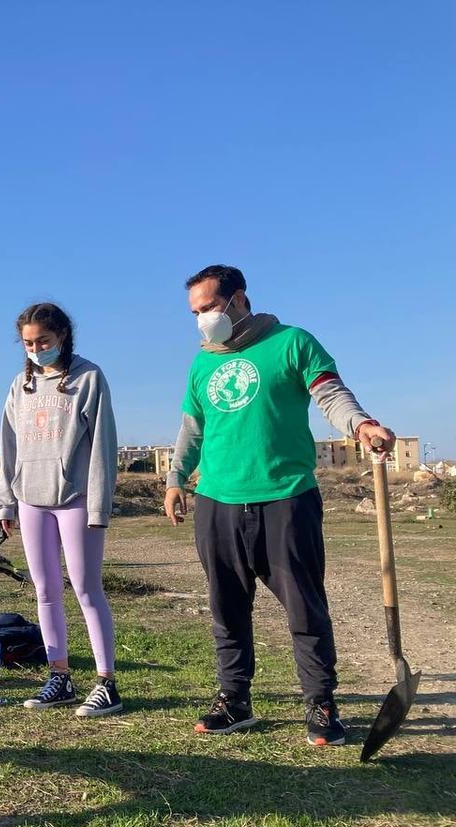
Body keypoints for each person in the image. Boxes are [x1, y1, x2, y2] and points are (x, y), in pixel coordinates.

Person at [164, 265, 396, 747]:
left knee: (304, 606)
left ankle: (321, 702)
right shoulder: (202, 362)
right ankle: (234, 699)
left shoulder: (292, 342)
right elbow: (192, 429)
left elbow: (330, 394)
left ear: (238, 300)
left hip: (285, 496)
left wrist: (361, 426)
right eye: (196, 312)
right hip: (217, 500)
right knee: (226, 605)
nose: (203, 319)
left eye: (209, 307)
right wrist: (175, 479)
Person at [0, 303, 122, 717]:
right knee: (45, 591)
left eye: (43, 341)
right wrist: (5, 502)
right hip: (30, 499)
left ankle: (106, 684)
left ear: (62, 336)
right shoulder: (20, 385)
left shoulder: (88, 377)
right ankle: (59, 676)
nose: (36, 349)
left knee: (86, 589)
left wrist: (99, 506)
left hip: (77, 500)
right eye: (29, 343)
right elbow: (8, 448)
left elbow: (103, 445)